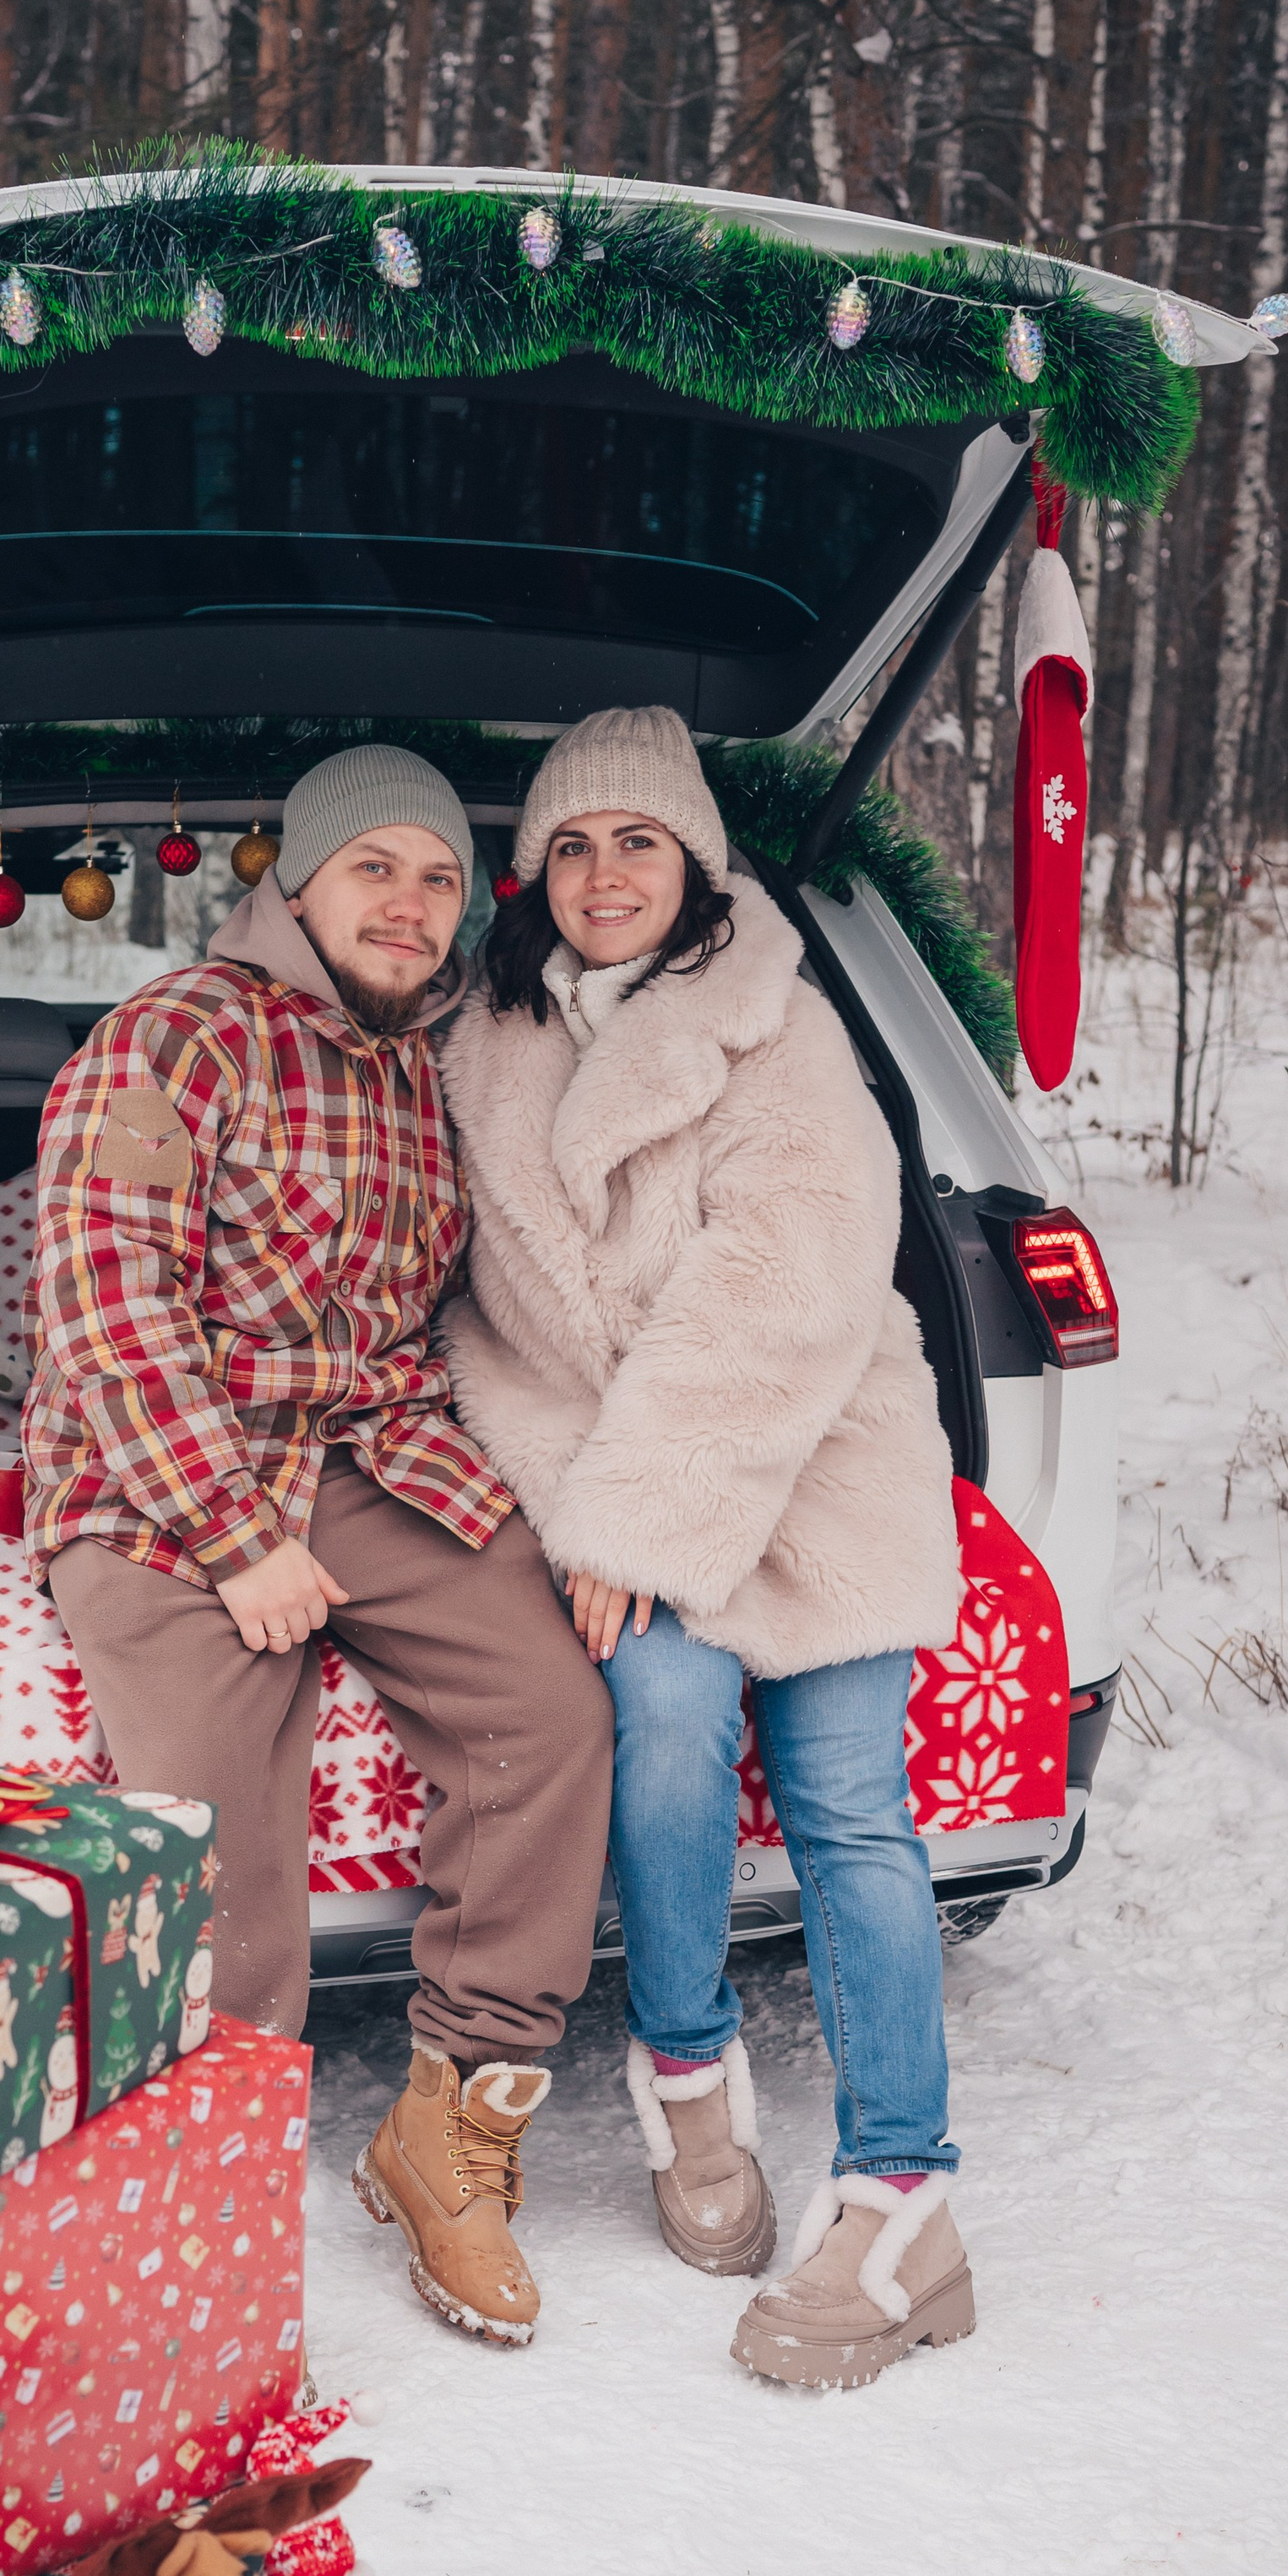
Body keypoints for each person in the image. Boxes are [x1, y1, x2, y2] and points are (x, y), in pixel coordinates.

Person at [27, 744, 613, 2351]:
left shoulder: (440, 1063)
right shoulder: (178, 1037)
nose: (412, 906)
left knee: (550, 1720)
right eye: (377, 870)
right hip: (165, 1466)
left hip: (372, 1451)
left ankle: (450, 2121)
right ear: (298, 881)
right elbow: (102, 1303)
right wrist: (234, 1539)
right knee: (215, 1826)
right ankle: (196, 2206)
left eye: (441, 877)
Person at [438, 708, 974, 2392]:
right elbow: (493, 1322)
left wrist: (636, 1522)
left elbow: (785, 1296)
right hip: (607, 1470)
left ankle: (903, 2196)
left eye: (640, 844)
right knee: (657, 1727)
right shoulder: (478, 1043)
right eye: (575, 846)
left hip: (805, 1471)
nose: (606, 877)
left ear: (694, 867)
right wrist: (591, 1507)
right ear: (532, 872)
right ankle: (685, 2080)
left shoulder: (778, 1028)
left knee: (844, 1808)